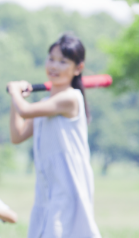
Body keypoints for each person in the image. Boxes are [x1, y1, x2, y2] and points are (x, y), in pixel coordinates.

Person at [7, 33, 101, 238]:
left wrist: (15, 93)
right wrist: (16, 100)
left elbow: (25, 111)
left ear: (78, 68)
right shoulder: (43, 106)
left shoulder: (69, 99)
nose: (54, 66)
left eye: (63, 62)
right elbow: (18, 135)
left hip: (68, 185)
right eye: (51, 59)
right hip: (46, 187)